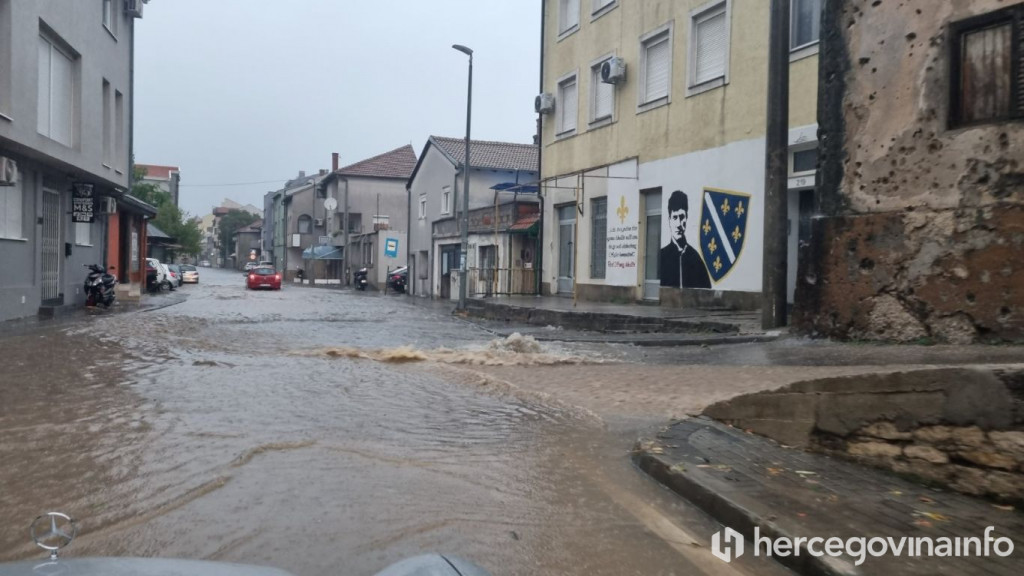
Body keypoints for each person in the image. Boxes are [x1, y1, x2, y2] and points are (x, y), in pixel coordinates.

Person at [660, 190, 711, 289]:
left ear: (687, 218)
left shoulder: (696, 259)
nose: (679, 224)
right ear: (669, 220)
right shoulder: (662, 256)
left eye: (682, 217)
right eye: (675, 217)